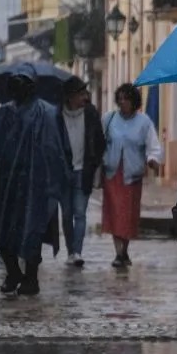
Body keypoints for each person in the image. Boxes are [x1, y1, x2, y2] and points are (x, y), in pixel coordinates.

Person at [0, 66, 71, 297]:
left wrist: (57, 177)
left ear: (32, 85)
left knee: (32, 231)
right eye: (14, 82)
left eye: (22, 82)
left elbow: (57, 148)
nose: (17, 87)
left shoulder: (47, 113)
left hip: (35, 184)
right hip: (6, 184)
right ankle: (13, 272)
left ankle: (31, 277)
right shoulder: (5, 113)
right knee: (3, 231)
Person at [101, 83, 162, 268]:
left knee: (127, 215)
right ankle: (118, 253)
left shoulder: (144, 122)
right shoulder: (108, 119)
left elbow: (153, 145)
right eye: (120, 99)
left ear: (134, 101)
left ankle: (124, 250)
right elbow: (99, 141)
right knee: (114, 212)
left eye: (126, 99)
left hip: (132, 174)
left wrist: (152, 159)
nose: (122, 102)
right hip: (112, 172)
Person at [59, 76, 106, 267]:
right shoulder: (57, 115)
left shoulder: (91, 113)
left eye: (84, 93)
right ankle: (70, 251)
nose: (84, 97)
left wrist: (94, 163)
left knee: (80, 213)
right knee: (66, 214)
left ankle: (77, 252)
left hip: (83, 171)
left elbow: (100, 140)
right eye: (80, 94)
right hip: (64, 172)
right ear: (70, 97)